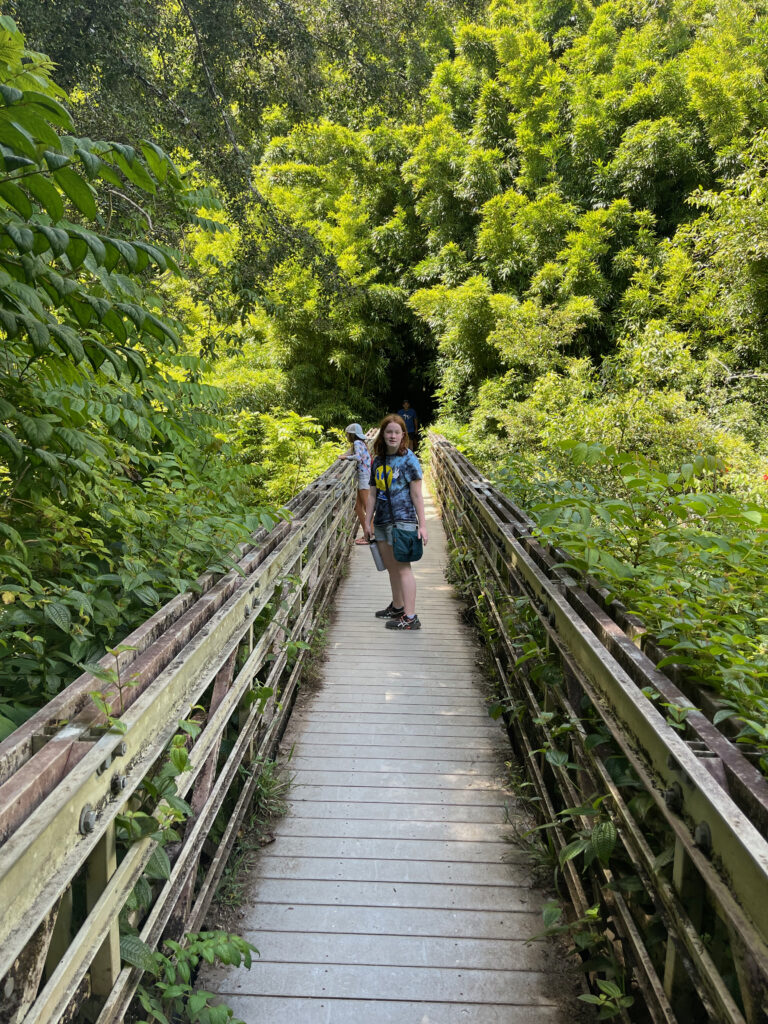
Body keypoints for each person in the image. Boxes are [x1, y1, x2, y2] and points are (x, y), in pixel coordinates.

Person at [364, 414, 428, 630]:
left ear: (403, 435)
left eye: (396, 432)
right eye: (388, 432)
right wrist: (366, 522)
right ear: (383, 434)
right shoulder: (378, 460)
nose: (392, 436)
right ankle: (398, 607)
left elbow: (417, 495)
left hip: (403, 519)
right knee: (392, 568)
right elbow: (372, 494)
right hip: (381, 520)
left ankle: (411, 617)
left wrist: (424, 525)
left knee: (403, 569)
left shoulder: (409, 459)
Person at [338, 423, 371, 544]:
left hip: (364, 478)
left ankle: (370, 536)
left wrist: (345, 458)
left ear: (352, 435)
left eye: (347, 434)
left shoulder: (357, 443)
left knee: (367, 508)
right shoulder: (362, 443)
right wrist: (346, 455)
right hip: (365, 477)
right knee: (358, 507)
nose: (346, 436)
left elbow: (357, 457)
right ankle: (367, 533)